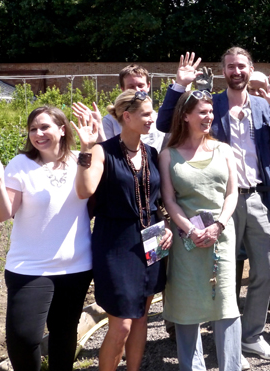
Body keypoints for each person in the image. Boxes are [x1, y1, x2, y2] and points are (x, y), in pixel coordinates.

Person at [157, 50, 270, 361]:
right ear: (223, 71)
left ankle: (251, 337)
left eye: (242, 66)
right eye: (231, 66)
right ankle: (221, 343)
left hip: (255, 195)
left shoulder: (261, 104)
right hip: (216, 202)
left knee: (266, 269)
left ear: (251, 69)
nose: (237, 71)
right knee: (224, 274)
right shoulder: (210, 103)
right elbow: (166, 122)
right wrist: (178, 85)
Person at [0, 106, 92, 371]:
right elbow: (2, 214)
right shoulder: (22, 165)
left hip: (76, 266)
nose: (38, 133)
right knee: (24, 337)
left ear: (62, 130)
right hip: (29, 267)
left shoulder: (80, 160)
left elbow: (94, 194)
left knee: (64, 336)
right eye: (32, 129)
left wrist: (89, 147)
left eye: (44, 127)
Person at [72, 89, 172, 371]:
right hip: (115, 243)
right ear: (126, 117)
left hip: (152, 239)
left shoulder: (151, 152)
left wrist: (166, 229)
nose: (151, 119)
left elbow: (158, 200)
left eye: (151, 113)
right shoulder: (103, 152)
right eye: (146, 114)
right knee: (122, 325)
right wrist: (85, 149)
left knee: (141, 316)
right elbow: (85, 190)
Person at [159, 89, 242, 371]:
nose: (208, 117)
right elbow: (169, 200)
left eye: (210, 112)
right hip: (187, 241)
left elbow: (232, 194)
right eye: (202, 112)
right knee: (186, 306)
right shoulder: (168, 155)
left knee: (226, 304)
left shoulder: (224, 150)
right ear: (185, 116)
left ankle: (229, 366)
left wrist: (218, 225)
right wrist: (189, 230)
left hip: (221, 236)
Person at [102, 64, 167, 152]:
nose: (137, 90)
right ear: (122, 89)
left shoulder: (158, 119)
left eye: (141, 85)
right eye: (131, 87)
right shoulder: (110, 121)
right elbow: (107, 153)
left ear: (148, 86)